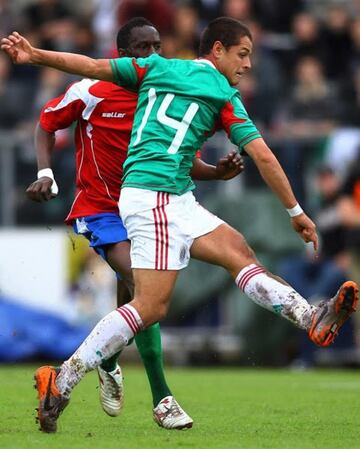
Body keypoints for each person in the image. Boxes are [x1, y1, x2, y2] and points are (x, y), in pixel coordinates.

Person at [2, 17, 358, 433]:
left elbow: (91, 64)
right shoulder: (215, 90)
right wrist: (296, 212)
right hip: (148, 196)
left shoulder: (159, 68)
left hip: (173, 194)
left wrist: (35, 55)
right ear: (218, 50)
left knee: (237, 252)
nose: (247, 64)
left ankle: (309, 317)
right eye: (242, 54)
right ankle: (63, 380)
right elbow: (262, 155)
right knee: (150, 304)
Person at [23, 17, 244, 431]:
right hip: (100, 209)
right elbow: (46, 124)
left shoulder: (163, 90)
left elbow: (178, 159)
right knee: (143, 289)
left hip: (146, 207)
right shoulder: (90, 89)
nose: (155, 55)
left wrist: (217, 172)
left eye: (159, 46)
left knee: (136, 296)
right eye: (145, 47)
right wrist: (46, 172)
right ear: (123, 54)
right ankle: (162, 397)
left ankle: (106, 356)